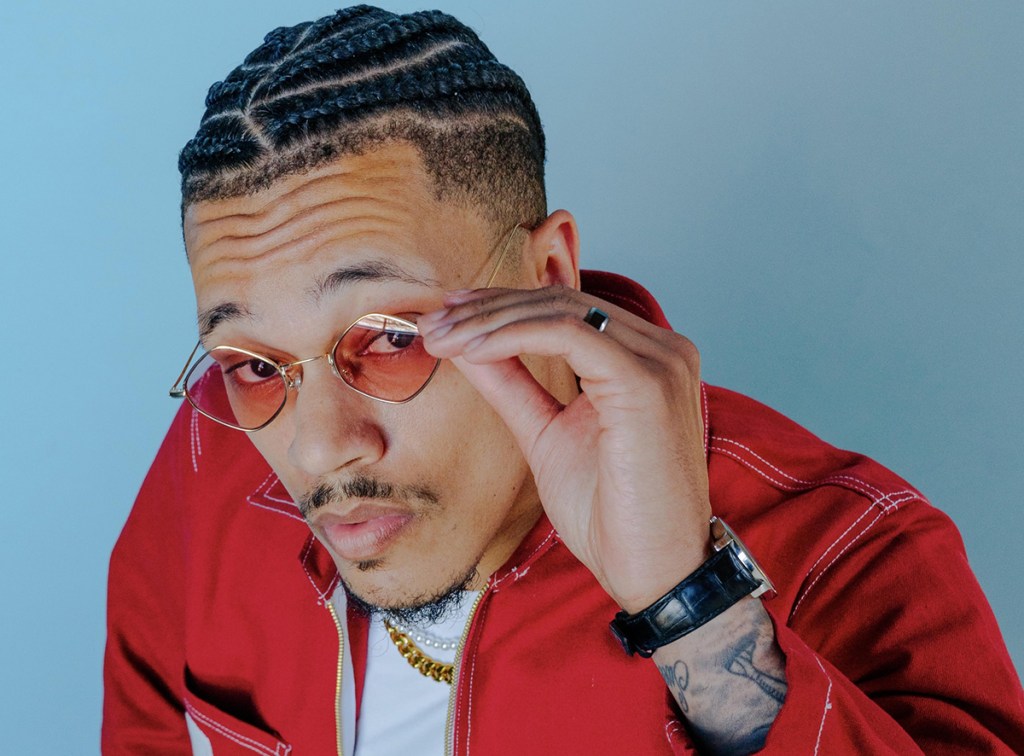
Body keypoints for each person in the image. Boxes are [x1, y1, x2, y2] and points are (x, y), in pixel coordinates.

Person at [102, 6, 1024, 754]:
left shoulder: (850, 552)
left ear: (545, 277)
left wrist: (689, 603)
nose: (316, 446)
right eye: (255, 363)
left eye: (386, 338)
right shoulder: (215, 444)